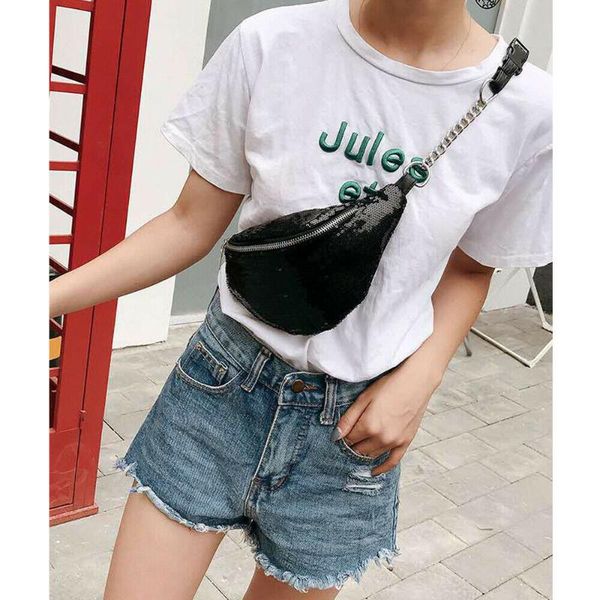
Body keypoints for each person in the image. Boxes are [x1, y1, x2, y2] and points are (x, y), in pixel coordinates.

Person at [50, 1, 552, 598]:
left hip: (354, 429)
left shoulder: (530, 109)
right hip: (218, 389)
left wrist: (420, 379)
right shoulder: (271, 43)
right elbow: (188, 223)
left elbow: (470, 269)